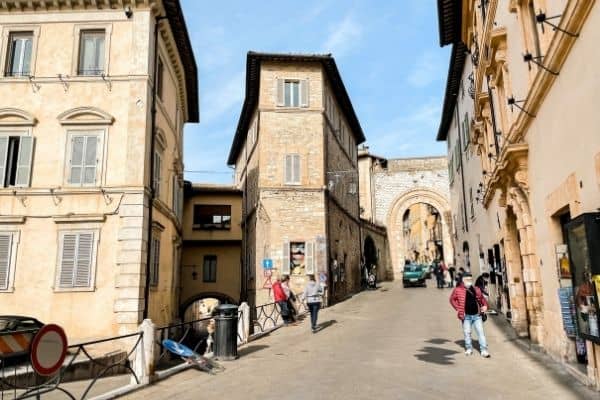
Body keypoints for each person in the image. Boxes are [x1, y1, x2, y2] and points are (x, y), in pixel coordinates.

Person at [450, 273, 490, 358]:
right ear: (463, 280)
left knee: (481, 333)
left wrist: (485, 306)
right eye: (467, 279)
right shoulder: (457, 290)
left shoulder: (477, 289)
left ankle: (484, 350)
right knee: (467, 333)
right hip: (466, 316)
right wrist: (458, 308)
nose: (469, 281)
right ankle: (469, 348)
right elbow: (452, 300)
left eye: (470, 279)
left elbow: (482, 299)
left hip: (477, 315)